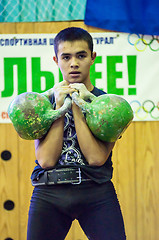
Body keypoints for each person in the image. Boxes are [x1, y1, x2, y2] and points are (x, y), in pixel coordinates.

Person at [27, 27, 126, 240]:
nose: (73, 63)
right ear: (56, 60)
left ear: (92, 57)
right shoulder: (43, 104)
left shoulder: (107, 105)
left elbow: (96, 158)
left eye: (81, 55)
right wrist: (60, 107)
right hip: (49, 191)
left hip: (95, 190)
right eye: (66, 57)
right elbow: (45, 160)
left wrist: (78, 106)